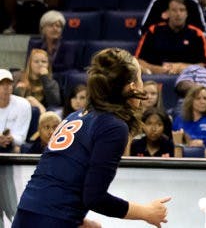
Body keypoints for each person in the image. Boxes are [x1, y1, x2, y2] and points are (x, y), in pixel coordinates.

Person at [12, 48, 170, 227]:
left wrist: (79, 220)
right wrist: (146, 212)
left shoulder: (75, 116)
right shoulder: (113, 127)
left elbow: (57, 176)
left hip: (27, 211)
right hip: (53, 218)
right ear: (132, 87)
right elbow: (95, 197)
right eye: (140, 78)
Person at [135, 0, 206, 75]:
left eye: (182, 10)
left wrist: (181, 67)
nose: (178, 14)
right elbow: (138, 61)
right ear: (167, 13)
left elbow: (204, 65)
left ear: (187, 14)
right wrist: (158, 69)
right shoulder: (153, 31)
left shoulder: (197, 34)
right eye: (174, 10)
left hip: (188, 77)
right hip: (156, 76)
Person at [14, 48, 61, 113]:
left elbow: (54, 103)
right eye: (36, 61)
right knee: (30, 99)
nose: (40, 64)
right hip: (22, 113)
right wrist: (18, 91)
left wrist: (45, 78)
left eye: (44, 62)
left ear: (48, 65)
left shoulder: (52, 83)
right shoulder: (18, 77)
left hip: (42, 115)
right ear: (30, 64)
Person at [0, 68, 31, 153]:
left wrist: (11, 138)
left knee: (17, 149)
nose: (6, 87)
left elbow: (21, 137)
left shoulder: (23, 104)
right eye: (1, 84)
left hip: (13, 146)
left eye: (9, 84)